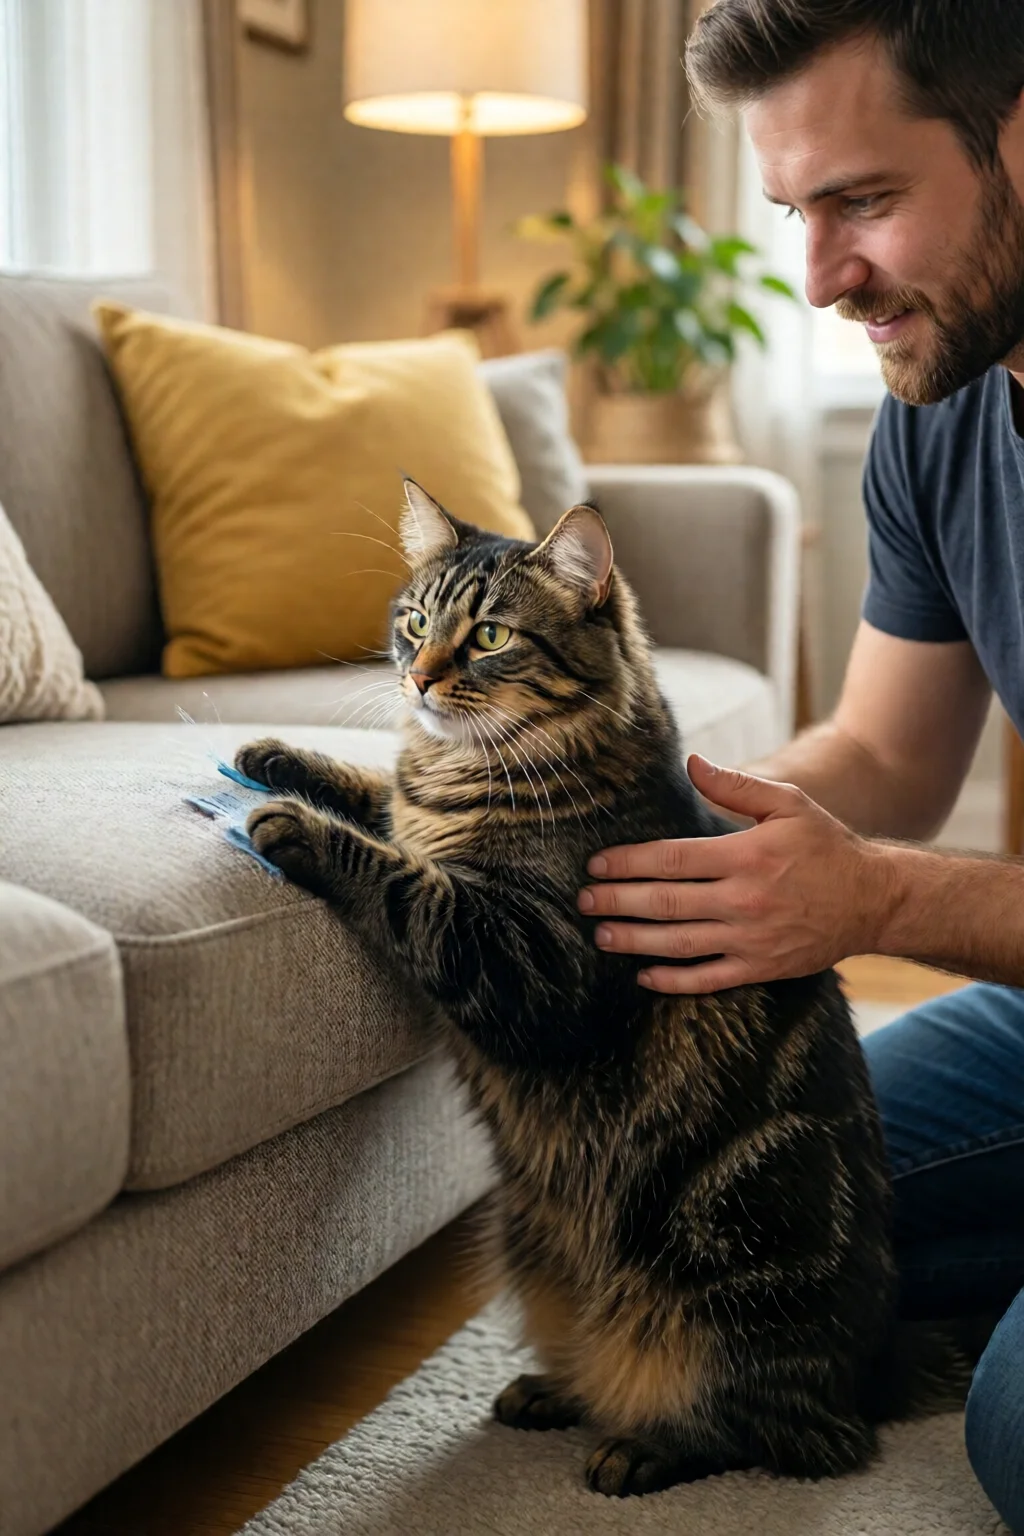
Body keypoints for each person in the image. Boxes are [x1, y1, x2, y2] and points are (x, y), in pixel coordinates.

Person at [575, 2, 1024, 1528]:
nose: (821, 279)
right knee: (757, 1209)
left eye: (865, 203)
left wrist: (876, 899)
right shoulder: (946, 405)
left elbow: (886, 856)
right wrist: (650, 812)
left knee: (1019, 1427)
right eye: (794, 214)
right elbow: (887, 757)